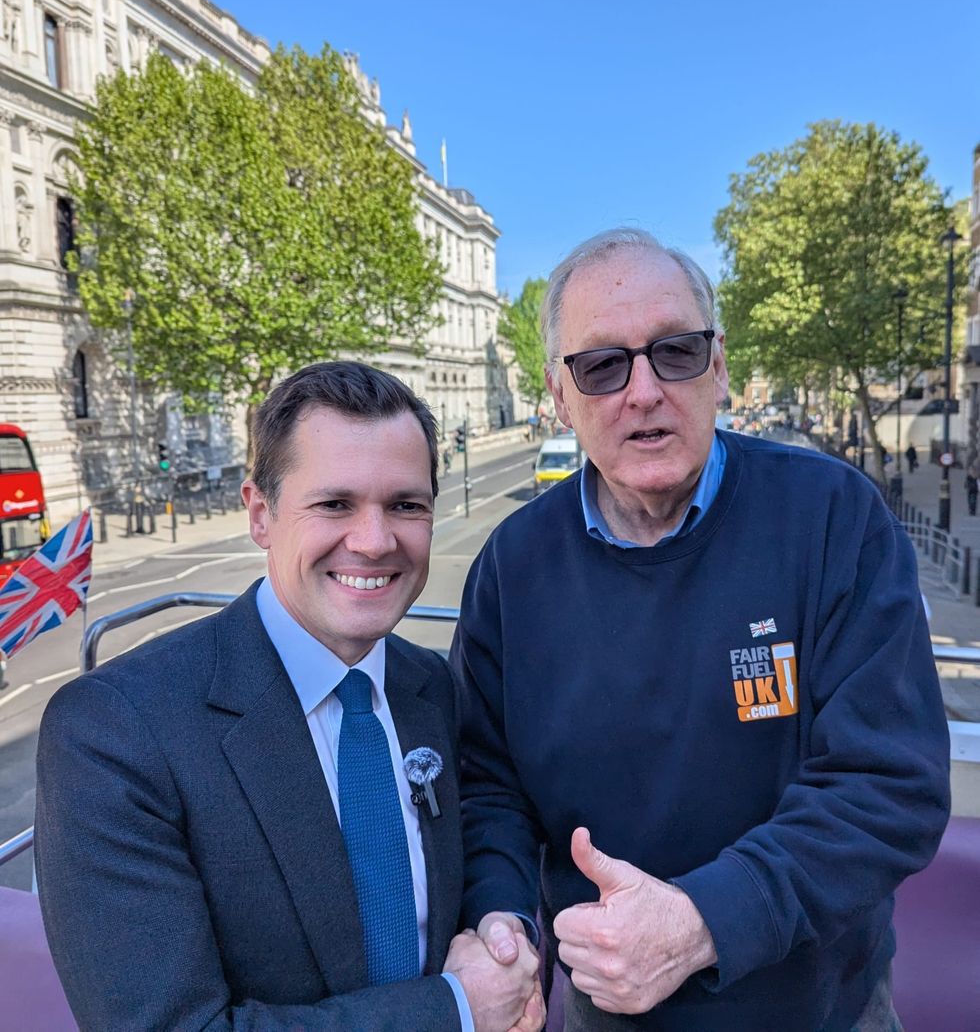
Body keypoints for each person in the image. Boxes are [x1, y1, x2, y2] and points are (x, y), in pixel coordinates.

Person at [452, 230, 950, 1031]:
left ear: (717, 366)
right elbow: (488, 785)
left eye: (674, 352)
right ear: (558, 393)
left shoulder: (832, 517)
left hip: (818, 1011)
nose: (643, 390)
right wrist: (502, 918)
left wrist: (701, 923)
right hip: (601, 1012)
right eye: (603, 366)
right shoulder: (513, 565)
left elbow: (890, 784)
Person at [35, 362, 543, 1032]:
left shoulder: (429, 687)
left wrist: (502, 928)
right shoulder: (113, 734)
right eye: (334, 504)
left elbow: (478, 824)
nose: (374, 540)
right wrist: (454, 1009)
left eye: (406, 505)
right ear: (259, 514)